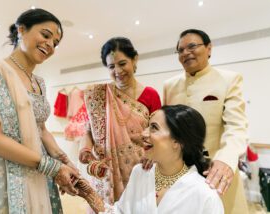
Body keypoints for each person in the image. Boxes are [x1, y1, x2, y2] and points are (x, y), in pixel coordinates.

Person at [0, 8, 79, 213]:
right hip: (2, 171)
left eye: (56, 43)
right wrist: (51, 167)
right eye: (45, 35)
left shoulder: (39, 83)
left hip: (39, 172)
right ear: (21, 30)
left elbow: (41, 129)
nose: (50, 45)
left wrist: (65, 161)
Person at [65, 105, 224, 213]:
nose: (143, 133)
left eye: (154, 128)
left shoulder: (204, 194)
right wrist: (89, 194)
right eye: (148, 126)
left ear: (178, 141)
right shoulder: (140, 173)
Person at [163, 29, 249, 214]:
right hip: (180, 174)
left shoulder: (229, 79)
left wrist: (226, 160)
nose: (186, 52)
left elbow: (236, 127)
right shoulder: (169, 86)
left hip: (217, 173)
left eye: (192, 46)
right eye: (180, 50)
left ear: (209, 48)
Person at [78, 37, 161, 207]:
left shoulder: (150, 95)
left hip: (142, 167)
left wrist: (153, 155)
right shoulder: (99, 96)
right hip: (107, 172)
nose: (117, 71)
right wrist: (86, 150)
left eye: (122, 63)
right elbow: (88, 130)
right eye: (111, 66)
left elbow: (158, 131)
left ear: (134, 60)